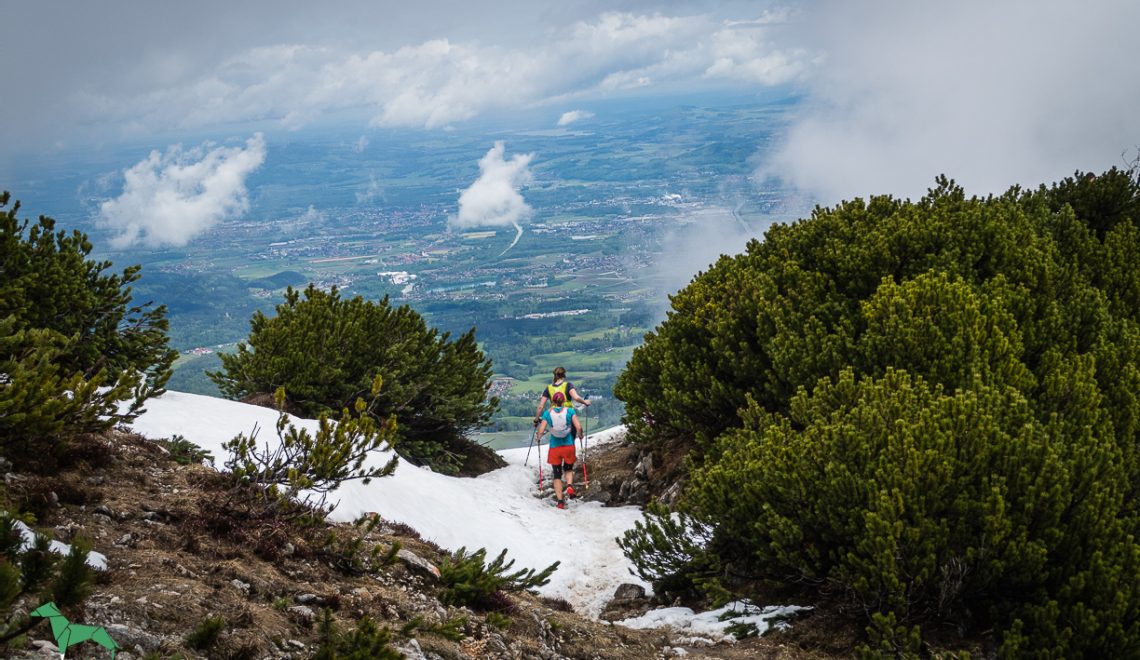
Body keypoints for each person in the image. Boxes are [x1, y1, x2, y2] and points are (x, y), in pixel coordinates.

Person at [535, 390, 583, 509]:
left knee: (557, 475)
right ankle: (570, 485)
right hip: (568, 446)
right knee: (568, 469)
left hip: (555, 448)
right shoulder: (570, 411)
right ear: (563, 402)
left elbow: (541, 430)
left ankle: (560, 502)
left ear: (552, 402)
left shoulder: (547, 413)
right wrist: (580, 435)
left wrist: (539, 438)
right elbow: (578, 427)